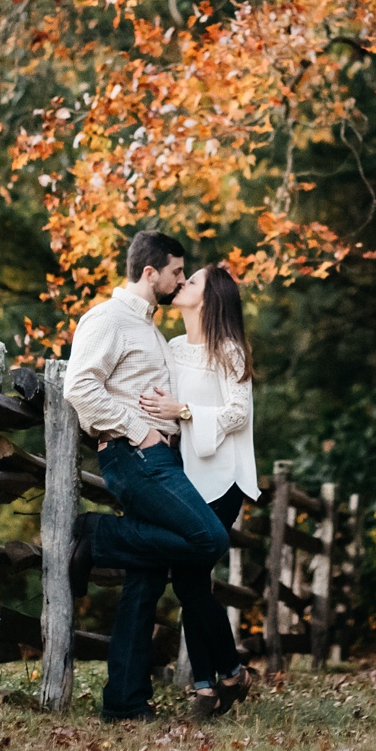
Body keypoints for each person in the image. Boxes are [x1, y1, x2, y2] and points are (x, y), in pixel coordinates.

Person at [63, 230, 230, 722]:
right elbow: (79, 387)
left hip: (157, 460)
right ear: (150, 272)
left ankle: (124, 702)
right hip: (134, 457)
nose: (182, 279)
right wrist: (139, 431)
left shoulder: (153, 331)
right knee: (209, 539)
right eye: (177, 271)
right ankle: (99, 534)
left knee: (147, 579)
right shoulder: (107, 318)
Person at [139, 264, 258, 719]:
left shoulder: (230, 352)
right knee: (192, 582)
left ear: (210, 299)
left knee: (189, 579)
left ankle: (214, 682)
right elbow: (162, 407)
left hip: (223, 477)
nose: (182, 284)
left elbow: (236, 415)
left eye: (192, 282)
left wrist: (184, 410)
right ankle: (220, 679)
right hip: (185, 474)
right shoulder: (171, 349)